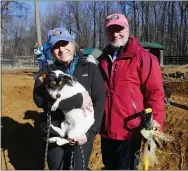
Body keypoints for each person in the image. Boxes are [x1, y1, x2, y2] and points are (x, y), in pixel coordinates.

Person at [97, 13, 165, 170]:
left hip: (129, 130)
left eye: (119, 29)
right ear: (106, 33)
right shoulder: (102, 60)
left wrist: (156, 122)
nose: (115, 34)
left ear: (127, 29)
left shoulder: (144, 58)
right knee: (109, 166)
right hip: (106, 130)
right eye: (110, 30)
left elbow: (155, 93)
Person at [33, 27, 105, 170]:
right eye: (56, 46)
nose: (61, 49)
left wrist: (90, 133)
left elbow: (99, 101)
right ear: (51, 50)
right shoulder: (46, 71)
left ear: (73, 44)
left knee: (78, 167)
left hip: (81, 129)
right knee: (57, 167)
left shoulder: (89, 68)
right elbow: (39, 101)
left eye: (64, 43)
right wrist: (77, 100)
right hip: (55, 129)